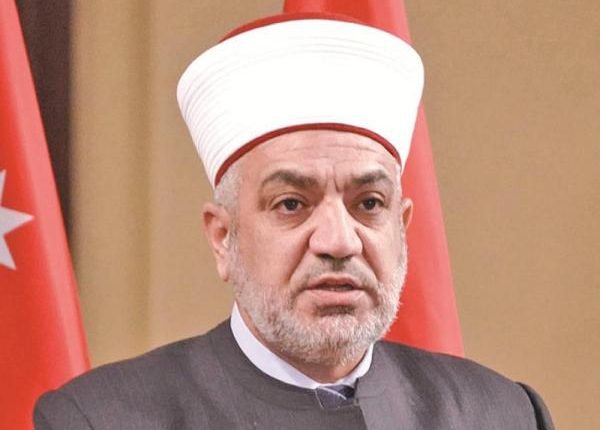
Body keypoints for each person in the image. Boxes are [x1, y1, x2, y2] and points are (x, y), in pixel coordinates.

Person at [34, 12, 555, 430]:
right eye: (291, 204)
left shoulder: (502, 414)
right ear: (222, 237)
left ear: (402, 227)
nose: (338, 241)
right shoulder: (102, 419)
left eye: (369, 203)